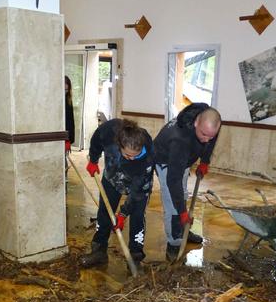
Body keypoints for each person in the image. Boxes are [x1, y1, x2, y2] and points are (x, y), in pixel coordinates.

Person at [80, 119, 154, 267]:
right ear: (119, 145)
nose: (132, 158)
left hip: (137, 185)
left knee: (138, 215)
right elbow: (97, 138)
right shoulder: (110, 130)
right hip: (112, 178)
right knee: (104, 212)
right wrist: (93, 160)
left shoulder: (147, 159)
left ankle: (135, 256)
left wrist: (123, 214)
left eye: (136, 155)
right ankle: (99, 251)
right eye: (128, 155)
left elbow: (137, 192)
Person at [153, 103, 222, 261]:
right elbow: (173, 180)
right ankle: (174, 242)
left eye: (210, 136)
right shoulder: (180, 140)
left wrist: (205, 161)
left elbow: (211, 139)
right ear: (196, 122)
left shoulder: (209, 117)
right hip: (165, 162)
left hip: (183, 161)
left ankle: (182, 231)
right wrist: (183, 212)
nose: (206, 140)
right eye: (204, 134)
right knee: (173, 205)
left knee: (182, 194)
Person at [64, 76, 75, 154]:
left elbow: (70, 120)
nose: (65, 92)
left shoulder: (68, 100)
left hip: (66, 130)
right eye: (64, 89)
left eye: (67, 90)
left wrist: (69, 138)